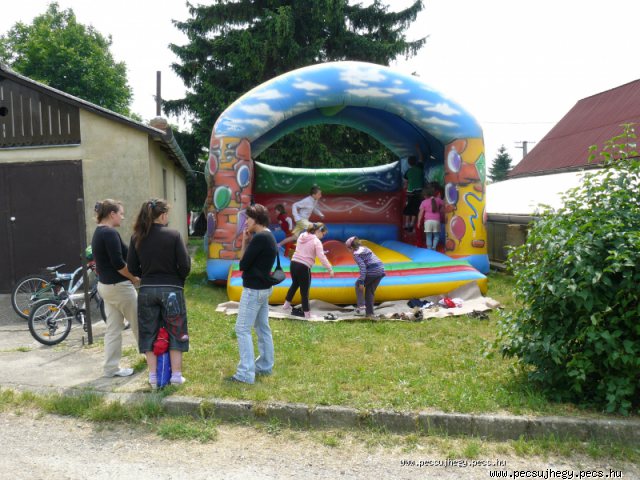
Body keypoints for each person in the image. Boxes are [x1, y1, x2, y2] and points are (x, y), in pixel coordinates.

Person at [127, 199, 191, 388]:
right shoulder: (173, 235)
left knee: (148, 331)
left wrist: (146, 276)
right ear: (162, 216)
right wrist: (178, 279)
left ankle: (153, 378)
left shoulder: (137, 237)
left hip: (146, 290)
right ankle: (176, 376)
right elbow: (185, 265)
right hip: (172, 289)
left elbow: (132, 268)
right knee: (176, 330)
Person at [227, 203, 278, 384]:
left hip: (253, 290)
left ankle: (245, 373)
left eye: (248, 218)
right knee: (263, 328)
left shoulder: (260, 238)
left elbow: (243, 264)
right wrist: (248, 241)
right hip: (264, 289)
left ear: (256, 219)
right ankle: (264, 365)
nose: (246, 221)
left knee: (242, 329)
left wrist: (244, 243)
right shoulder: (268, 236)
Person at [91, 199, 139, 378]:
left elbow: (127, 253)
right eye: (121, 213)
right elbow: (119, 264)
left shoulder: (99, 232)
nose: (122, 217)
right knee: (139, 323)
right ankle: (154, 361)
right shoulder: (109, 233)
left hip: (105, 286)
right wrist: (134, 278)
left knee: (113, 329)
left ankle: (111, 368)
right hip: (120, 288)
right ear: (112, 214)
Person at [282, 223, 334, 319]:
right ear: (318, 231)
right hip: (303, 266)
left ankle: (286, 305)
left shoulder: (302, 235)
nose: (323, 236)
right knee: (304, 291)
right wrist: (330, 269)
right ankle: (307, 314)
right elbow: (321, 257)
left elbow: (305, 248)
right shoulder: (316, 241)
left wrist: (319, 251)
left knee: (295, 284)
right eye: (323, 234)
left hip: (293, 263)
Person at [345, 236, 386, 317]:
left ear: (351, 248)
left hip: (373, 271)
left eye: (348, 248)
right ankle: (369, 313)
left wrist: (361, 282)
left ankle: (361, 306)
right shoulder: (365, 248)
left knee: (358, 284)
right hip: (381, 270)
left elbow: (363, 268)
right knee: (369, 291)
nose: (348, 250)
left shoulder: (356, 255)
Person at [402, 156, 425, 232]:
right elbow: (421, 158)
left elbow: (405, 183)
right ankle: (412, 224)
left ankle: (406, 224)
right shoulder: (420, 169)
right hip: (418, 192)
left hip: (410, 192)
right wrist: (418, 150)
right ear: (416, 162)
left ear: (409, 163)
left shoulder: (408, 171)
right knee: (415, 208)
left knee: (408, 207)